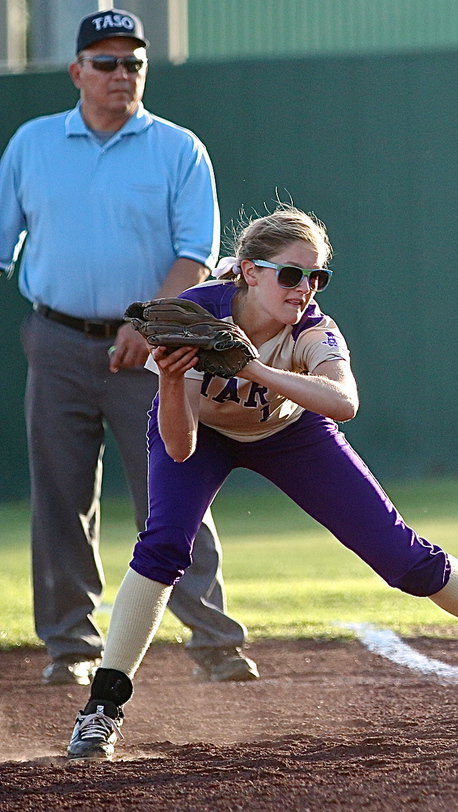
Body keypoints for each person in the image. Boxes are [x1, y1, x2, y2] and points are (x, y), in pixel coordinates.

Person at [64, 204, 458, 760]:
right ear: (249, 271)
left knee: (402, 556)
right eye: (291, 274)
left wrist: (253, 368)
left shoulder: (315, 328)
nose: (305, 289)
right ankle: (102, 707)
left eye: (317, 277)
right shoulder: (194, 316)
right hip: (204, 433)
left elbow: (344, 403)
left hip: (293, 434)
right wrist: (172, 382)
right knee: (164, 544)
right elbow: (179, 446)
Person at [0, 9, 255, 685]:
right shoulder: (31, 144)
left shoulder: (177, 148)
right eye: (106, 62)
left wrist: (149, 323)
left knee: (174, 489)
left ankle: (214, 642)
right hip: (55, 337)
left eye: (134, 62)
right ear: (76, 70)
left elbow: (195, 253)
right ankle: (71, 649)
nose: (122, 74)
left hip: (156, 350)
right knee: (60, 498)